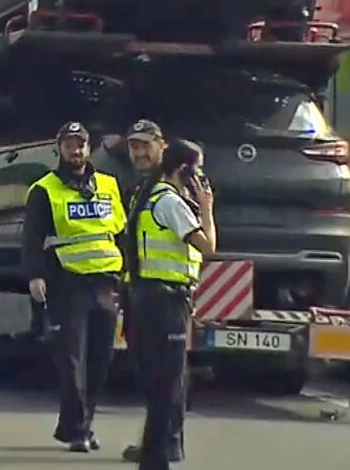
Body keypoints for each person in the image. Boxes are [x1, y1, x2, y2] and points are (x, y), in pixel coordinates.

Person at [21, 121, 127, 452]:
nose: (75, 150)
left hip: (106, 283)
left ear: (89, 147)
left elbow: (120, 232)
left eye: (80, 144)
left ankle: (81, 425)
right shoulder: (44, 189)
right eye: (69, 144)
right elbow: (31, 238)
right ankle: (79, 430)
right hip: (67, 284)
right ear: (59, 149)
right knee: (71, 362)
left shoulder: (109, 185)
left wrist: (129, 276)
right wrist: (35, 275)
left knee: (100, 360)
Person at [124, 139, 216, 470]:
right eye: (198, 169)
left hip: (148, 296)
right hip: (166, 300)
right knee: (170, 385)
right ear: (184, 170)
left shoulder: (150, 195)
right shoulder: (171, 202)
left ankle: (152, 456)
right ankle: (157, 459)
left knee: (160, 382)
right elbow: (207, 245)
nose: (202, 176)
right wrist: (206, 206)